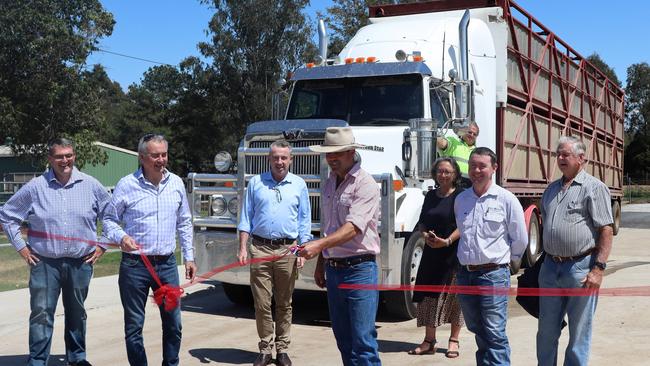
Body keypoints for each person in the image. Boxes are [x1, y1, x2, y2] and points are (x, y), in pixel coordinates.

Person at [0, 138, 110, 366]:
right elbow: (7, 216)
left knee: (77, 313)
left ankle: (77, 358)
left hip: (81, 262)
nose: (65, 160)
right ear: (50, 159)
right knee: (41, 313)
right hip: (45, 263)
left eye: (68, 155)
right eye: (59, 156)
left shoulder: (91, 185)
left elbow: (111, 215)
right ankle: (38, 360)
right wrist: (21, 248)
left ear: (74, 156)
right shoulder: (35, 187)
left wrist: (103, 245)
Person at [102, 134, 196, 366]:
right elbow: (109, 220)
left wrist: (190, 257)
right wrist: (121, 236)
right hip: (135, 266)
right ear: (142, 157)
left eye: (164, 154)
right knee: (134, 326)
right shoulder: (127, 185)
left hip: (166, 265)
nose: (161, 160)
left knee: (173, 324)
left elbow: (184, 221)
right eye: (155, 155)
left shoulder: (175, 183)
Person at [295, 126, 381, 366]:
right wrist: (322, 263)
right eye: (328, 154)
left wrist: (318, 245)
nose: (331, 159)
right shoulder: (330, 183)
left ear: (351, 152)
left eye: (337, 153)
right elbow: (329, 227)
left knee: (363, 341)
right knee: (343, 339)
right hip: (335, 270)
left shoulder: (366, 184)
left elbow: (353, 228)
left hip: (359, 269)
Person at [536, 136, 613, 366]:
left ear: (581, 158)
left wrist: (598, 269)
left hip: (580, 269)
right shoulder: (551, 189)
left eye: (565, 154)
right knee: (546, 332)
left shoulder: (594, 188)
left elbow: (606, 231)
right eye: (557, 154)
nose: (560, 158)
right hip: (550, 268)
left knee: (579, 333)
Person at [237, 140, 312, 366]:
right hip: (259, 248)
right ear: (269, 159)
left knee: (284, 302)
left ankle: (282, 349)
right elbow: (246, 218)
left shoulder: (299, 185)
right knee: (261, 303)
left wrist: (302, 250)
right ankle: (264, 348)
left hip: (287, 249)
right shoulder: (256, 183)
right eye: (275, 157)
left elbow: (304, 221)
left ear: (291, 159)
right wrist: (242, 247)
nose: (279, 162)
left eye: (283, 157)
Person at [454, 147, 528, 366]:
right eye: (473, 165)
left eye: (482, 166)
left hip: (493, 275)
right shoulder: (461, 200)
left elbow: (520, 239)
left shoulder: (506, 199)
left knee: (495, 334)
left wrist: (503, 265)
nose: (476, 170)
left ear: (494, 168)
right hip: (465, 276)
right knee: (477, 330)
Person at [408, 157, 464, 359]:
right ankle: (429, 341)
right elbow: (422, 222)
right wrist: (425, 236)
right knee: (428, 297)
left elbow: (464, 224)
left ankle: (454, 340)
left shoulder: (461, 196)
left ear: (455, 174)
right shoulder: (431, 195)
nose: (443, 175)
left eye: (447, 171)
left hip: (453, 254)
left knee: (454, 299)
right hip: (432, 253)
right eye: (440, 171)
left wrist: (447, 241)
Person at [437, 121, 479, 187]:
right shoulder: (454, 142)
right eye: (469, 132)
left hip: (468, 186)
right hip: (451, 184)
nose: (471, 135)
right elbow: (441, 143)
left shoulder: (476, 151)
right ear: (463, 132)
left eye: (474, 134)